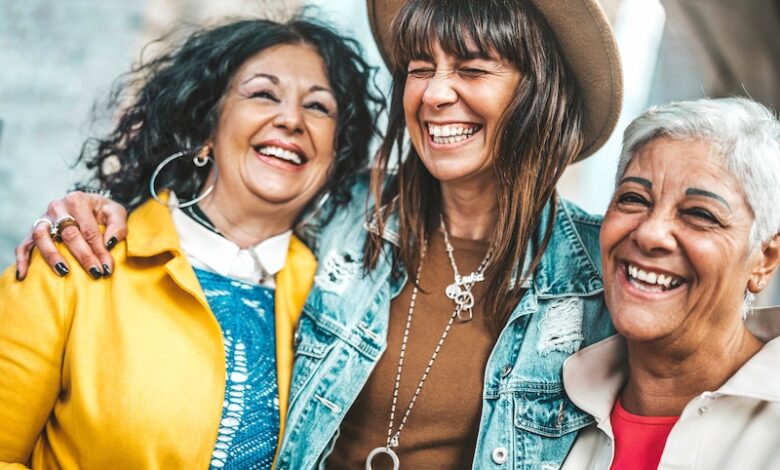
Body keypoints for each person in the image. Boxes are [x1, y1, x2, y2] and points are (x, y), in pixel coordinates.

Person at [15, 0, 623, 468]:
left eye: (472, 69)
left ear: (541, 94)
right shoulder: (340, 217)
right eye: (419, 69)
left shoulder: (600, 281)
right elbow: (226, 206)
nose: (437, 94)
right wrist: (97, 211)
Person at [0, 18, 381, 469]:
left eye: (318, 107)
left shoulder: (337, 306)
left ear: (335, 156)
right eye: (263, 94)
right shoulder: (77, 258)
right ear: (206, 129)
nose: (291, 119)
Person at [561, 97, 780, 470]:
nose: (650, 234)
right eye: (633, 199)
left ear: (764, 259)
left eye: (699, 214)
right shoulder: (549, 402)